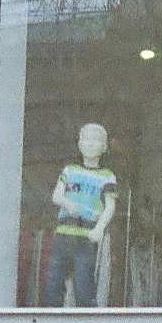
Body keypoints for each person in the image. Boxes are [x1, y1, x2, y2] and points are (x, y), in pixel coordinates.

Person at [42, 122, 119, 307]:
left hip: (86, 238)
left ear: (104, 147)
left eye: (96, 140)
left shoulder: (107, 176)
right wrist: (68, 203)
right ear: (79, 144)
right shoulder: (70, 171)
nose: (90, 144)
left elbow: (110, 207)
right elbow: (56, 196)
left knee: (84, 287)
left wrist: (99, 228)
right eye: (86, 139)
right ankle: (52, 321)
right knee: (53, 285)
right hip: (63, 236)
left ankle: (86, 322)